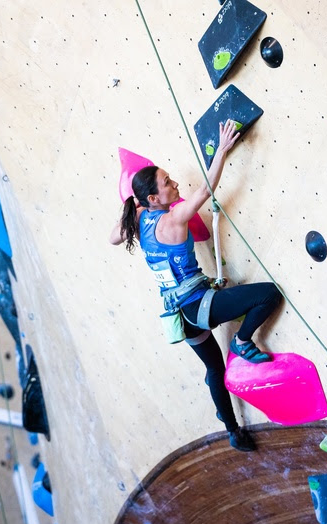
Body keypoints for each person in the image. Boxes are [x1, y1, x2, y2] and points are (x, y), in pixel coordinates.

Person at [109, 120, 282, 452]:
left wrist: (133, 206)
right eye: (167, 183)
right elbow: (205, 190)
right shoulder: (173, 218)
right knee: (268, 294)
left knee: (214, 369)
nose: (174, 184)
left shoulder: (140, 218)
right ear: (153, 196)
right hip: (199, 305)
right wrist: (222, 150)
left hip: (179, 315)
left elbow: (113, 237)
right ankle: (243, 342)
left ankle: (232, 430)